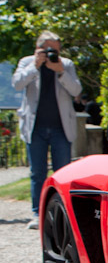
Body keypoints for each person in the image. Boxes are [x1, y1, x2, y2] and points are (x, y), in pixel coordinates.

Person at [11, 30, 82, 230]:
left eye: (56, 50)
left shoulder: (65, 64)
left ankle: (63, 212)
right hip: (35, 128)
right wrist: (35, 66)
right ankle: (37, 213)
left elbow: (76, 90)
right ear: (39, 48)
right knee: (37, 172)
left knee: (62, 171)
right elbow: (17, 84)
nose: (53, 53)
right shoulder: (27, 63)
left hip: (61, 127)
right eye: (49, 50)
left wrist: (60, 71)